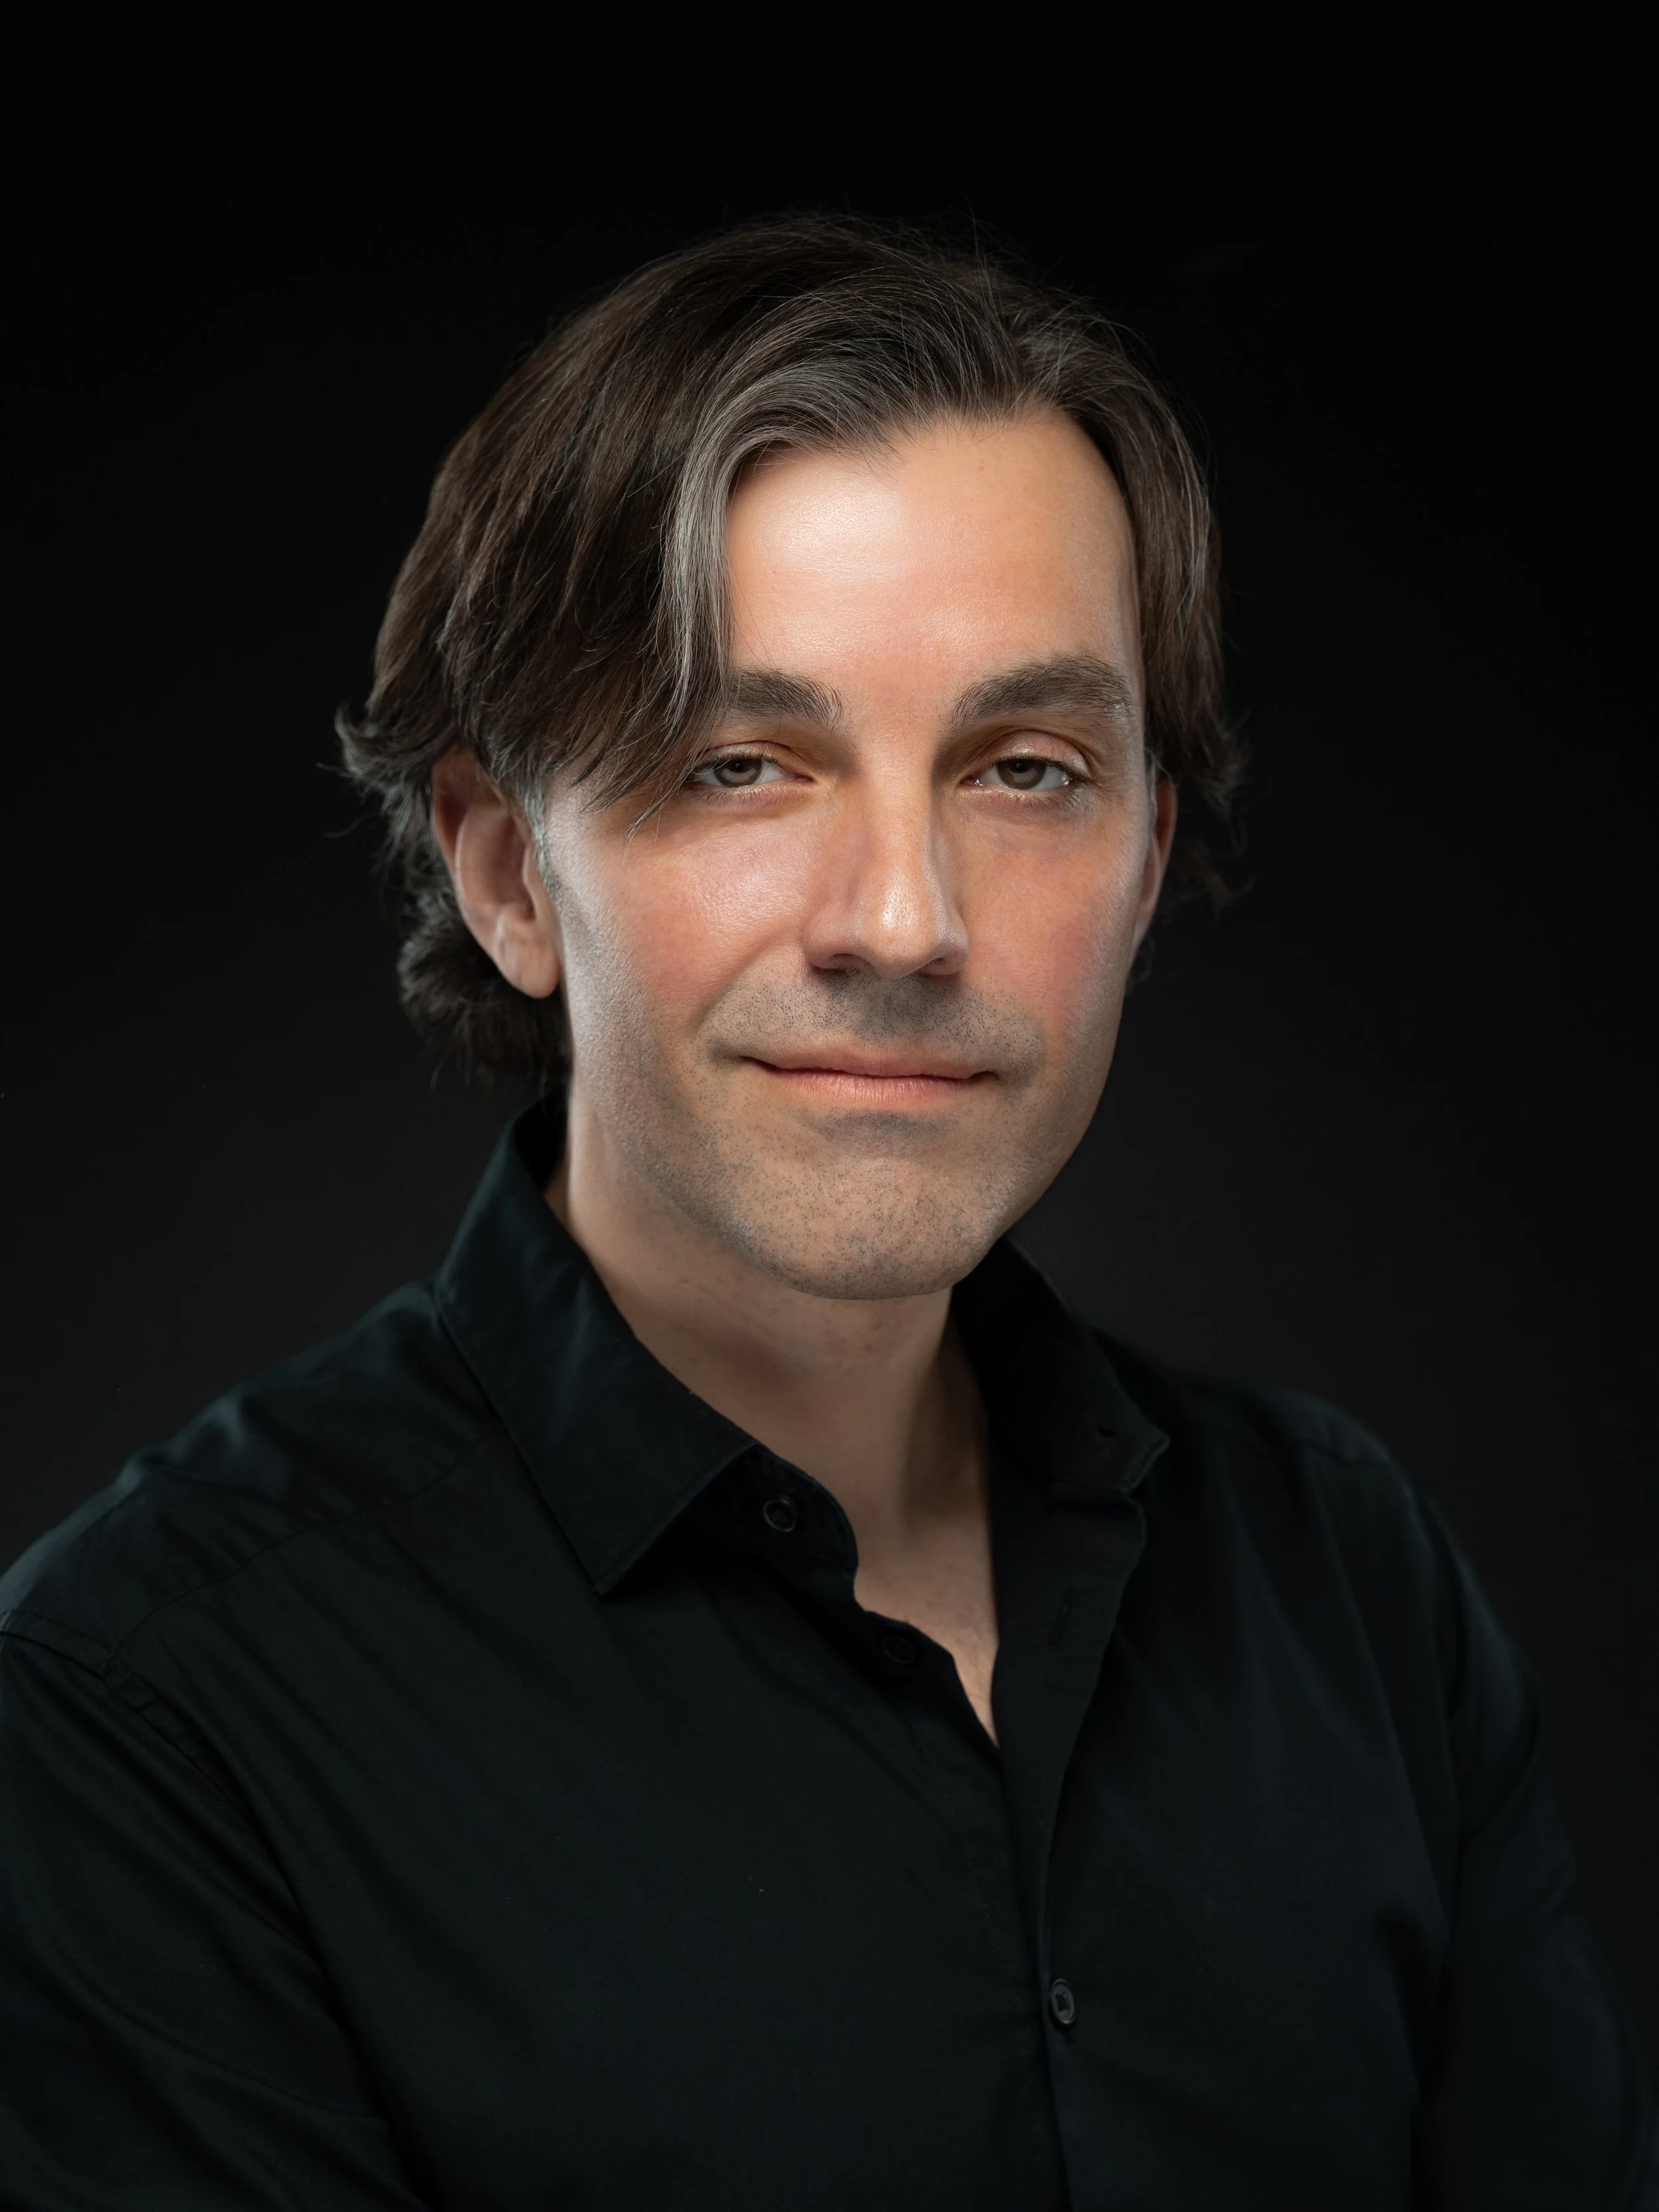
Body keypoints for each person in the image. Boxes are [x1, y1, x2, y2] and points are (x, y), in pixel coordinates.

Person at [0, 214, 1651, 2210]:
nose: (904, 920)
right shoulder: (139, 1717)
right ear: (507, 872)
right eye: (741, 761)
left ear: (1142, 862)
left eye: (1025, 768)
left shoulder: (1348, 1580)